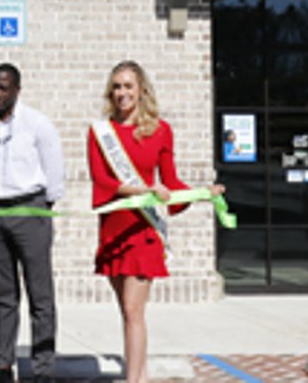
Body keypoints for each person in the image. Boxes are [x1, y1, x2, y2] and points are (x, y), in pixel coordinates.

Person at [87, 60, 224, 383]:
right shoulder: (100, 133)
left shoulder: (160, 131)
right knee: (127, 313)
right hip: (113, 230)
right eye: (117, 87)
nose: (122, 93)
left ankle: (133, 380)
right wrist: (142, 189)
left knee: (135, 313)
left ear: (141, 90)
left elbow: (171, 182)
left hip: (142, 231)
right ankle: (141, 374)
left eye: (128, 86)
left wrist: (202, 193)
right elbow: (102, 180)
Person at [0, 64, 64, 383]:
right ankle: (4, 363)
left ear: (17, 90)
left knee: (40, 295)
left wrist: (39, 208)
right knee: (4, 294)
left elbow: (54, 173)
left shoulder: (38, 125)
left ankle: (43, 368)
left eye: (4, 88)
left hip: (30, 210)